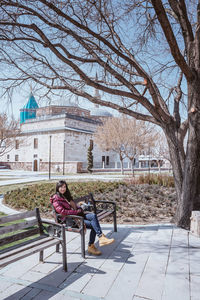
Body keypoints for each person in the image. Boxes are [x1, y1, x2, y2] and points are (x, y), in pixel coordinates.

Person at [50, 180, 115, 256]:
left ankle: (101, 237)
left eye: (64, 187)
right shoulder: (56, 198)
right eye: (61, 187)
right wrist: (76, 212)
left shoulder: (66, 196)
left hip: (77, 216)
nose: (63, 189)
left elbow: (73, 205)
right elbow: (63, 212)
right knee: (93, 225)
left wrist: (79, 208)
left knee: (93, 216)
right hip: (70, 220)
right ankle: (91, 245)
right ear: (57, 188)